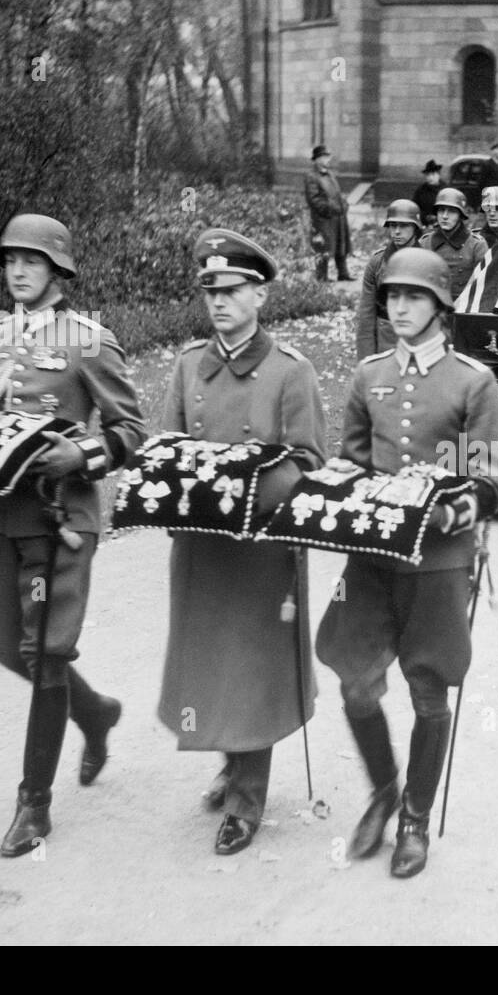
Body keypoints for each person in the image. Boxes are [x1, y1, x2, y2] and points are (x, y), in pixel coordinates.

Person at [315, 249, 498, 879]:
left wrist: (457, 508)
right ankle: (382, 789)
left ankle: (415, 819)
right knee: (354, 682)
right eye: (391, 298)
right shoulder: (368, 374)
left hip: (437, 560)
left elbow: (495, 474)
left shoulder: (472, 381)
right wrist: (335, 483)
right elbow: (349, 458)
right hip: (372, 556)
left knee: (428, 689)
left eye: (412, 298)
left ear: (439, 306)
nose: (398, 308)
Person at [0, 214, 147, 857]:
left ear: (58, 271)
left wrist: (83, 458)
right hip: (1, 514)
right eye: (10, 260)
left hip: (58, 520)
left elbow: (131, 430)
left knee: (45, 651)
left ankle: (33, 806)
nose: (18, 270)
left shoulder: (88, 339)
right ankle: (94, 711)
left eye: (31, 261)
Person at [158, 228, 328, 856]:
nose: (221, 303)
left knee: (252, 666)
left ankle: (247, 799)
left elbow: (310, 461)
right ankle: (230, 765)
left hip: (260, 549)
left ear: (260, 296)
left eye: (233, 291)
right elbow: (165, 450)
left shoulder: (290, 372)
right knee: (210, 660)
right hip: (204, 548)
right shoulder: (186, 367)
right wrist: (178, 499)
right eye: (211, 292)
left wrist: (246, 484)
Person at [356, 199, 423, 360]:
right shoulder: (377, 263)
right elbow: (366, 314)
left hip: (420, 341)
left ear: (415, 227)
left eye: (403, 225)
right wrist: (366, 359)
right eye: (393, 226)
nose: (397, 231)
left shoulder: (429, 261)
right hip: (386, 341)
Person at [420, 187, 488, 303]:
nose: (445, 216)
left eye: (451, 211)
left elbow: (483, 285)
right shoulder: (424, 243)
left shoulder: (476, 245)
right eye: (441, 210)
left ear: (460, 215)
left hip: (465, 309)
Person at [304, 144, 353, 282]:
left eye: (328, 156)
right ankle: (321, 276)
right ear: (317, 159)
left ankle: (343, 273)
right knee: (323, 246)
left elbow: (337, 193)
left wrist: (344, 205)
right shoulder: (311, 176)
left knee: (341, 243)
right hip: (323, 218)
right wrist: (330, 209)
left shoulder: (330, 174)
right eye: (325, 157)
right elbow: (313, 199)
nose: (328, 159)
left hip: (338, 216)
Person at [413, 160, 443, 228]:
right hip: (425, 226)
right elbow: (415, 208)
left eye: (433, 174)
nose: (430, 177)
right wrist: (425, 217)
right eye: (427, 175)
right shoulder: (421, 190)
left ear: (438, 175)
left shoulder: (446, 190)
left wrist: (438, 218)